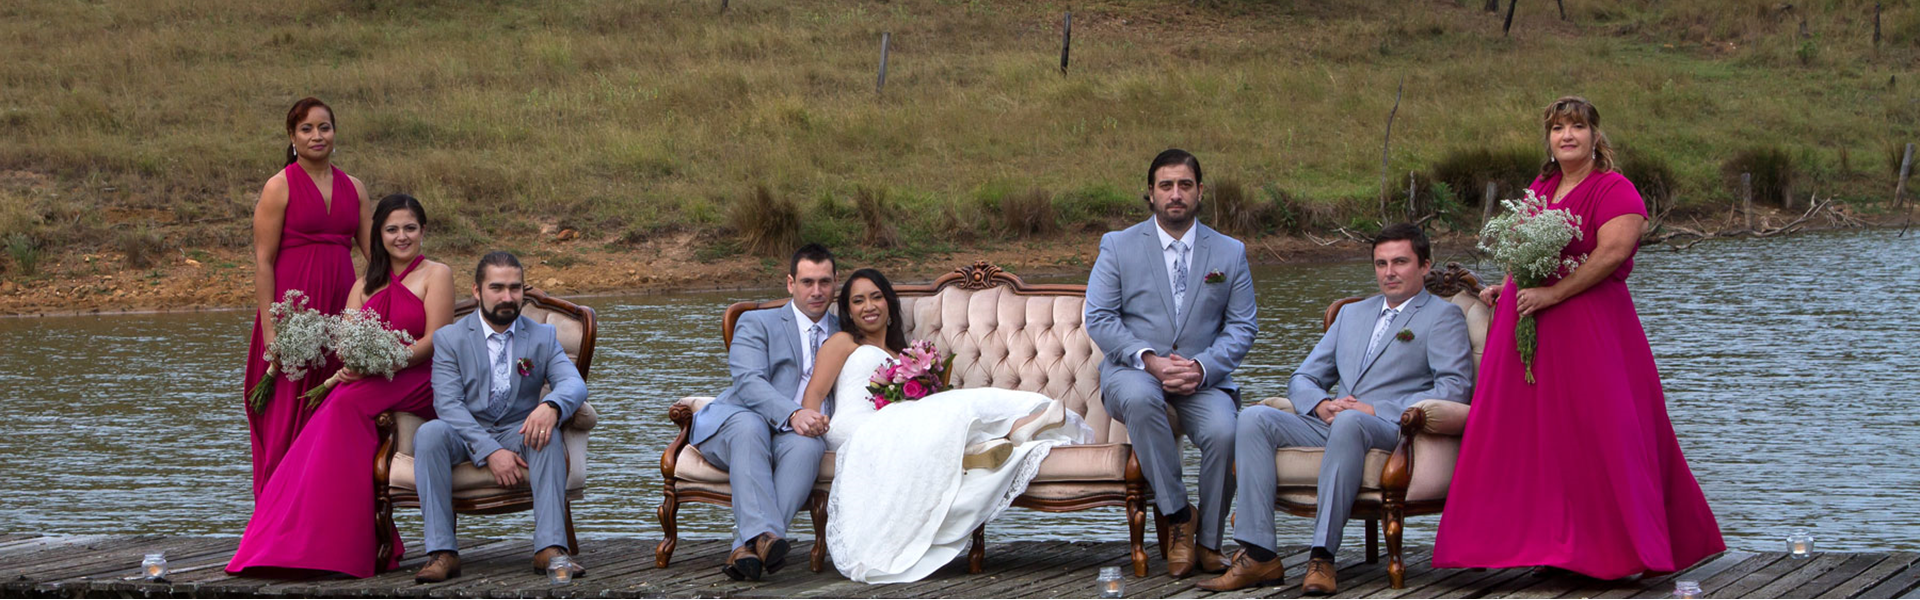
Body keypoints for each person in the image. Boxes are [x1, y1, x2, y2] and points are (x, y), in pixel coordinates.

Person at [1433, 96, 1724, 579]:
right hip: (1528, 325)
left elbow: (1612, 254)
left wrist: (1553, 294)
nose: (1567, 136)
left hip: (1589, 327)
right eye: (1557, 128)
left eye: (1577, 127)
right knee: (1535, 437)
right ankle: (1549, 546)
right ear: (1548, 139)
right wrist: (1507, 285)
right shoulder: (1541, 185)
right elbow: (1522, 248)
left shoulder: (1615, 189)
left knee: (1598, 431)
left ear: (1595, 136)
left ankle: (1611, 551)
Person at [1198, 224, 1473, 594]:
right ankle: (1259, 554)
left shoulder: (1443, 316)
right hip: (1338, 422)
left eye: (1400, 262)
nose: (1389, 272)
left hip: (1394, 428)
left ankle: (1322, 558)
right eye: (1381, 263)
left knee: (1351, 422)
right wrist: (1322, 404)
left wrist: (1377, 409)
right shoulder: (1351, 314)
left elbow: (1453, 388)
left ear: (1425, 266)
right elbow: (1303, 377)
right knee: (1253, 418)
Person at [228, 194, 454, 578]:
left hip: (420, 377)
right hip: (371, 381)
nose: (402, 237)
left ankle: (336, 548)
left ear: (423, 231)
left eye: (410, 228)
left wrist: (384, 361)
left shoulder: (437, 274)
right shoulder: (364, 284)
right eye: (392, 229)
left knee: (340, 406)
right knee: (332, 405)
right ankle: (289, 541)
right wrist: (355, 363)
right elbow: (347, 342)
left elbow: (437, 339)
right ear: (378, 235)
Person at [814, 268, 1087, 584]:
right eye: (858, 301)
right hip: (854, 429)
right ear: (848, 310)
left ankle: (992, 441)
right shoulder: (843, 342)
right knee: (937, 410)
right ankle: (1018, 422)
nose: (869, 306)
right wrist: (808, 428)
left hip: (891, 426)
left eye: (876, 297)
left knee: (937, 411)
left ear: (888, 304)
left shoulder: (903, 354)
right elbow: (815, 394)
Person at [1084, 148, 1258, 578]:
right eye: (1166, 186)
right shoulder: (1119, 245)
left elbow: (1242, 326)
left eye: (1184, 185)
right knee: (1142, 402)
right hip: (1133, 371)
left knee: (1225, 430)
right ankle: (1179, 518)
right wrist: (1149, 360)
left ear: (1200, 191)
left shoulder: (1230, 252)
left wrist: (1201, 367)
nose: (1175, 194)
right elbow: (1100, 317)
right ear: (1150, 193)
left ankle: (1210, 541)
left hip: (1204, 377)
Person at [410, 252, 590, 583]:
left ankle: (549, 549)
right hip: (463, 433)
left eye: (514, 288)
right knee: (429, 434)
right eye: (497, 287)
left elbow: (573, 384)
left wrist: (550, 406)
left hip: (516, 431)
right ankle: (442, 553)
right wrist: (490, 451)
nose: (507, 297)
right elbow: (448, 405)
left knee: (545, 434)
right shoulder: (449, 338)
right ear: (477, 291)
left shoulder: (542, 336)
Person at [244, 97, 374, 496]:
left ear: (335, 133)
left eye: (324, 127)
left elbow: (378, 258)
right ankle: (277, 523)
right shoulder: (279, 186)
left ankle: (332, 520)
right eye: (307, 129)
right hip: (293, 318)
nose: (317, 136)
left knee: (334, 415)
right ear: (292, 137)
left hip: (339, 314)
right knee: (287, 420)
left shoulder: (354, 187)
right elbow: (263, 262)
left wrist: (364, 314)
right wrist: (272, 334)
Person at [686, 243, 839, 582]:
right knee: (750, 426)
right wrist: (794, 413)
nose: (816, 291)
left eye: (824, 282)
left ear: (835, 283)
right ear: (790, 283)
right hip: (734, 423)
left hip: (793, 436)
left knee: (809, 446)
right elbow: (748, 382)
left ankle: (748, 548)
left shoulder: (844, 333)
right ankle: (763, 538)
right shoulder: (757, 322)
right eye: (807, 282)